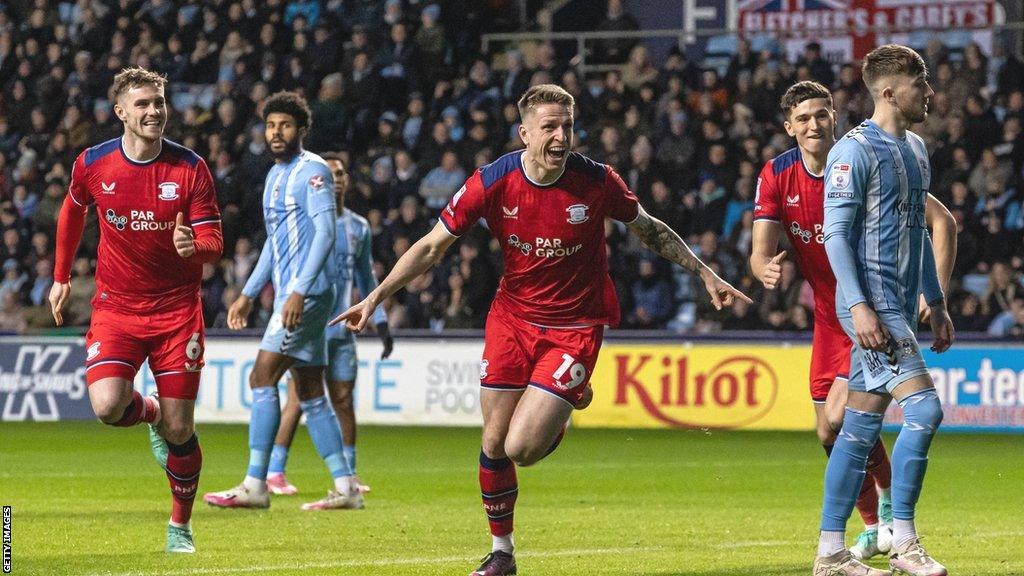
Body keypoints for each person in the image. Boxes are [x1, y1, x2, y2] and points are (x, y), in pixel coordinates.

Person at [334, 84, 750, 576]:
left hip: (574, 327)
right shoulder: (493, 181)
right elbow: (431, 247)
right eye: (549, 127)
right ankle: (502, 553)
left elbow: (649, 227)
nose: (559, 137)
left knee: (521, 449)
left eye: (567, 127)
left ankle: (561, 404)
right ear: (524, 132)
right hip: (511, 320)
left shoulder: (596, 181)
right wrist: (375, 297)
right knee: (493, 443)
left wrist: (704, 271)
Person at [750, 81, 957, 562]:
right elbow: (759, 253)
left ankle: (887, 523)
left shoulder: (861, 159)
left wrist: (935, 295)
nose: (814, 125)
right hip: (830, 314)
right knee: (830, 431)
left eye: (822, 115)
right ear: (789, 128)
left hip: (867, 307)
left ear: (835, 117)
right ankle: (873, 529)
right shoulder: (777, 174)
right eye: (803, 119)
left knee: (852, 418)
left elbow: (939, 222)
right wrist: (763, 267)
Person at [49, 67, 223, 553]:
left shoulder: (190, 168)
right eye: (143, 104)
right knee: (107, 407)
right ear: (121, 112)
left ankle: (180, 525)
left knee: (181, 428)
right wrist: (61, 277)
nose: (154, 111)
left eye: (159, 102)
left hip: (176, 313)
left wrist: (196, 247)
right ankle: (146, 412)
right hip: (117, 308)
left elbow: (214, 241)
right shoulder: (94, 163)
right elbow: (72, 210)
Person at [815, 45, 955, 576]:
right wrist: (858, 306)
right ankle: (906, 542)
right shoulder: (852, 152)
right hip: (871, 304)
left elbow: (918, 232)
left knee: (858, 429)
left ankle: (831, 553)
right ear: (891, 92)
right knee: (925, 411)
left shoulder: (917, 149)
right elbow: (835, 236)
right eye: (922, 84)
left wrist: (935, 301)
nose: (931, 94)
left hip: (898, 303)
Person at [203, 91, 362, 511]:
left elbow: (326, 234)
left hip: (305, 295)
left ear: (301, 130)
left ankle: (256, 484)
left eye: (285, 126)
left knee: (262, 378)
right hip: (293, 293)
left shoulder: (314, 172)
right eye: (271, 125)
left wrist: (298, 290)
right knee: (310, 391)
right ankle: (346, 487)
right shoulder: (274, 176)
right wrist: (247, 294)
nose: (276, 132)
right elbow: (274, 244)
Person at [265, 151, 394, 499]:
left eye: (341, 173)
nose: (336, 179)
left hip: (343, 329)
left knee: (343, 399)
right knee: (298, 397)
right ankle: (275, 470)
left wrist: (380, 322)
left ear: (347, 179)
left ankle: (348, 474)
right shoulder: (308, 222)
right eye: (330, 173)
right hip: (311, 324)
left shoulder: (359, 227)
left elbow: (366, 278)